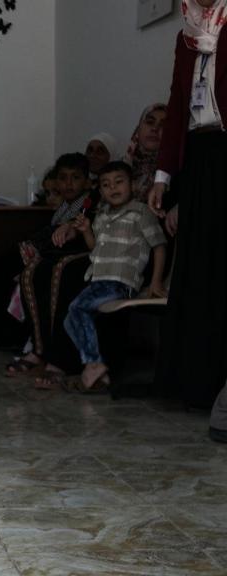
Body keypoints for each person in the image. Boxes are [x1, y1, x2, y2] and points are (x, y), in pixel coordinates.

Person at [149, 0, 227, 423]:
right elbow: (178, 106)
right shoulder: (186, 37)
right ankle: (198, 384)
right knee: (198, 269)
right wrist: (163, 177)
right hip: (199, 158)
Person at [63, 162, 167, 393]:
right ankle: (98, 369)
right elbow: (95, 249)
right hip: (99, 280)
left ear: (132, 184)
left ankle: (93, 365)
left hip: (120, 282)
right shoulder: (101, 215)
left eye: (119, 182)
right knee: (71, 317)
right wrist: (87, 231)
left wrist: (156, 282)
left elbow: (159, 246)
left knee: (77, 310)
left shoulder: (141, 212)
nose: (113, 188)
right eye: (106, 185)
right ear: (100, 191)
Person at [5, 153, 100, 384]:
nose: (68, 184)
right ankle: (40, 350)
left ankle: (61, 358)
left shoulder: (93, 201)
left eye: (75, 178)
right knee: (31, 272)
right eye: (63, 178)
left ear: (87, 182)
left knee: (60, 273)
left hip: (94, 253)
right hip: (72, 251)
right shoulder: (66, 208)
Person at [123, 103, 168, 203]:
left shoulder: (173, 174)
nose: (155, 129)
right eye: (150, 122)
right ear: (138, 129)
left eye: (163, 125)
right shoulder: (120, 168)